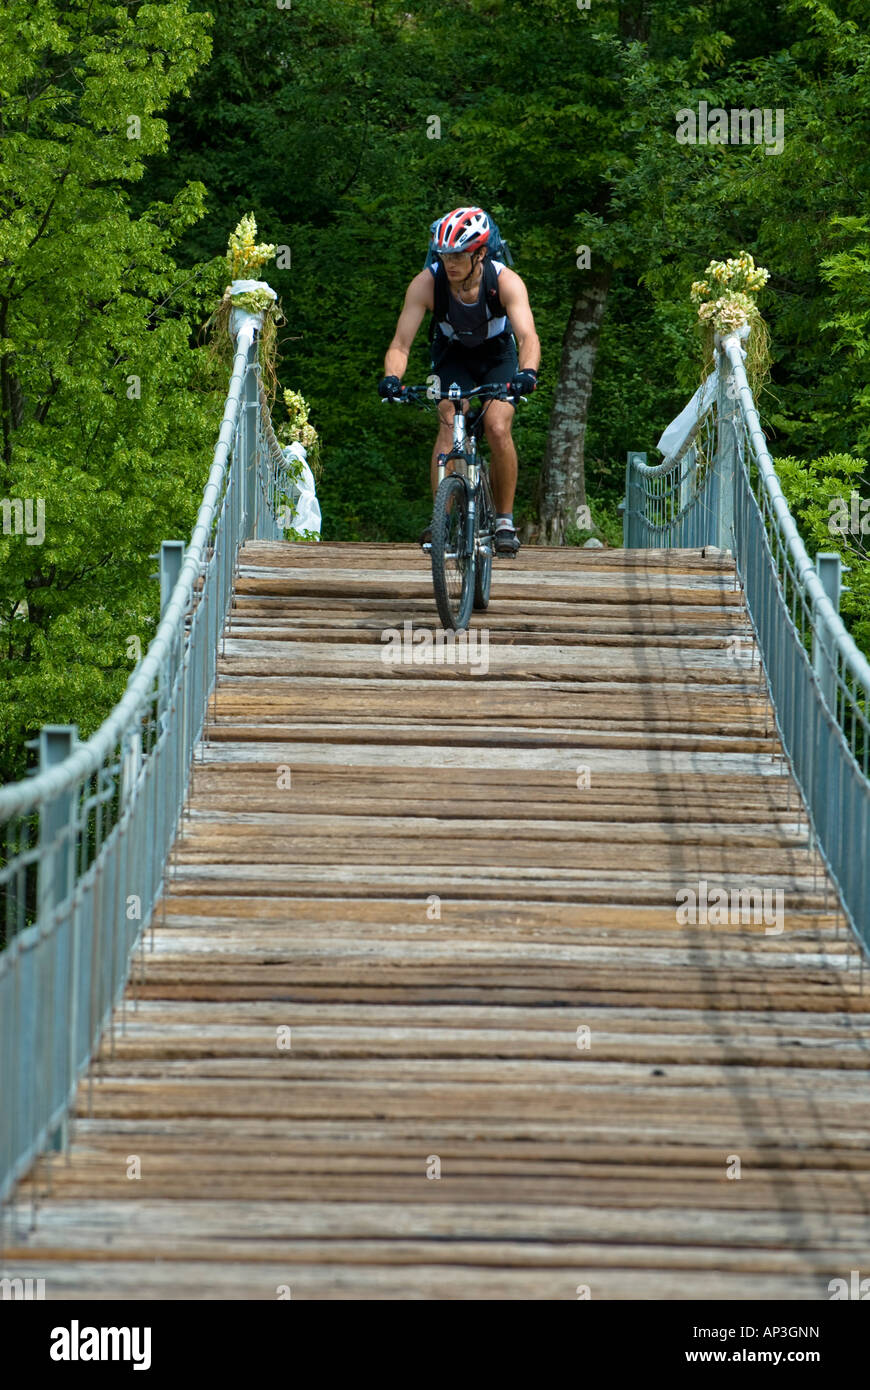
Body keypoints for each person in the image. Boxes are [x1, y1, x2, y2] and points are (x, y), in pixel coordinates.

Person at [378, 206, 541, 555]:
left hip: (498, 354)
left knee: (497, 425)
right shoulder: (427, 284)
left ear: (480, 254)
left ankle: (504, 520)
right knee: (449, 420)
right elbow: (401, 343)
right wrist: (392, 378)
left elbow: (527, 336)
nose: (449, 263)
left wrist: (527, 373)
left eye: (459, 255)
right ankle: (443, 522)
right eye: (444, 255)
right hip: (451, 355)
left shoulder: (505, 281)